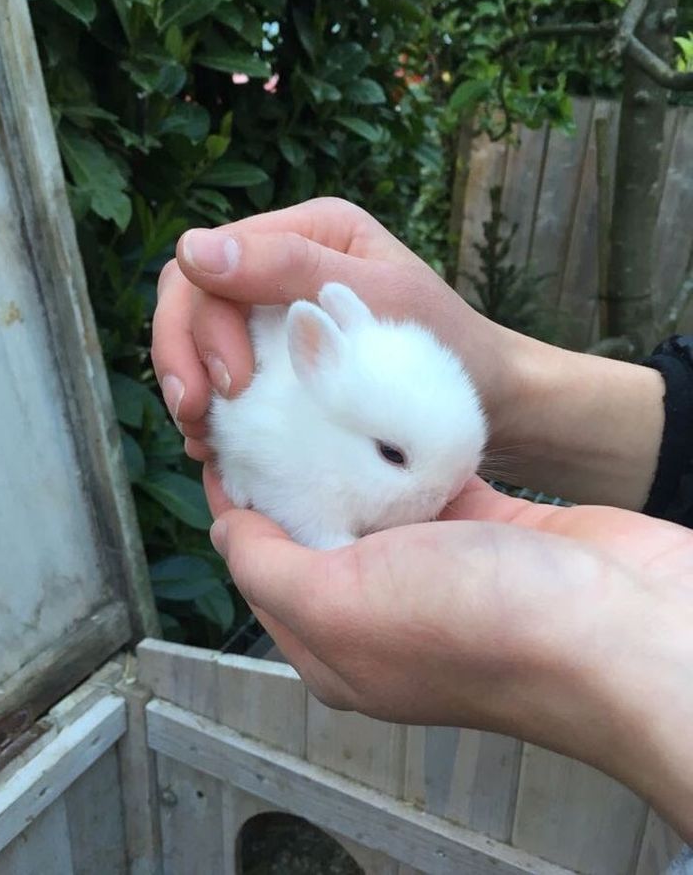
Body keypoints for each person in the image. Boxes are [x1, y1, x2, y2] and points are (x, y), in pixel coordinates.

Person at [151, 198, 693, 845]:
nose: (447, 489)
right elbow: (241, 429)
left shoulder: (394, 407)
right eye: (393, 456)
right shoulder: (293, 432)